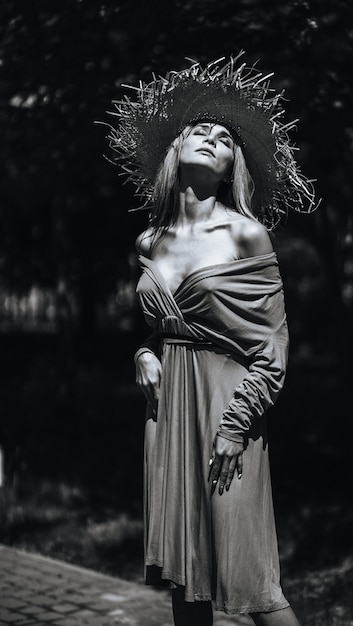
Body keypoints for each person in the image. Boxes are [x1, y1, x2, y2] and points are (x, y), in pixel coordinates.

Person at [105, 53, 315, 626]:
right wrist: (143, 353)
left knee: (255, 586)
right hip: (166, 413)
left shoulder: (247, 233)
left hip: (229, 410)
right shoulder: (151, 240)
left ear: (230, 167)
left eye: (223, 138)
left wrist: (235, 425)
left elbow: (272, 346)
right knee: (185, 578)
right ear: (176, 152)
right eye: (198, 130)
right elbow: (158, 328)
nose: (210, 136)